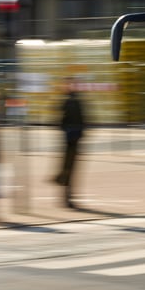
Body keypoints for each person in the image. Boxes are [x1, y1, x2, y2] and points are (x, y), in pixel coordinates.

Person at [54, 80, 85, 208]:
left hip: (72, 139)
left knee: (69, 169)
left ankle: (67, 196)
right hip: (70, 140)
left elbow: (82, 119)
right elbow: (61, 120)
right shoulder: (69, 101)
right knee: (68, 169)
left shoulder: (74, 101)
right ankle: (67, 197)